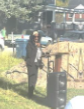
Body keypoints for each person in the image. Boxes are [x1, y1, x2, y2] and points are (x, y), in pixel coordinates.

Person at [25, 31, 43, 98]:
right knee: (31, 78)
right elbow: (30, 54)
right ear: (32, 37)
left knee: (35, 79)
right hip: (31, 63)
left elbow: (39, 55)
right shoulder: (29, 44)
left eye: (37, 36)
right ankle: (30, 95)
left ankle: (31, 93)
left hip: (37, 64)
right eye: (35, 36)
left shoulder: (39, 45)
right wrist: (36, 47)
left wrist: (41, 63)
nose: (36, 38)